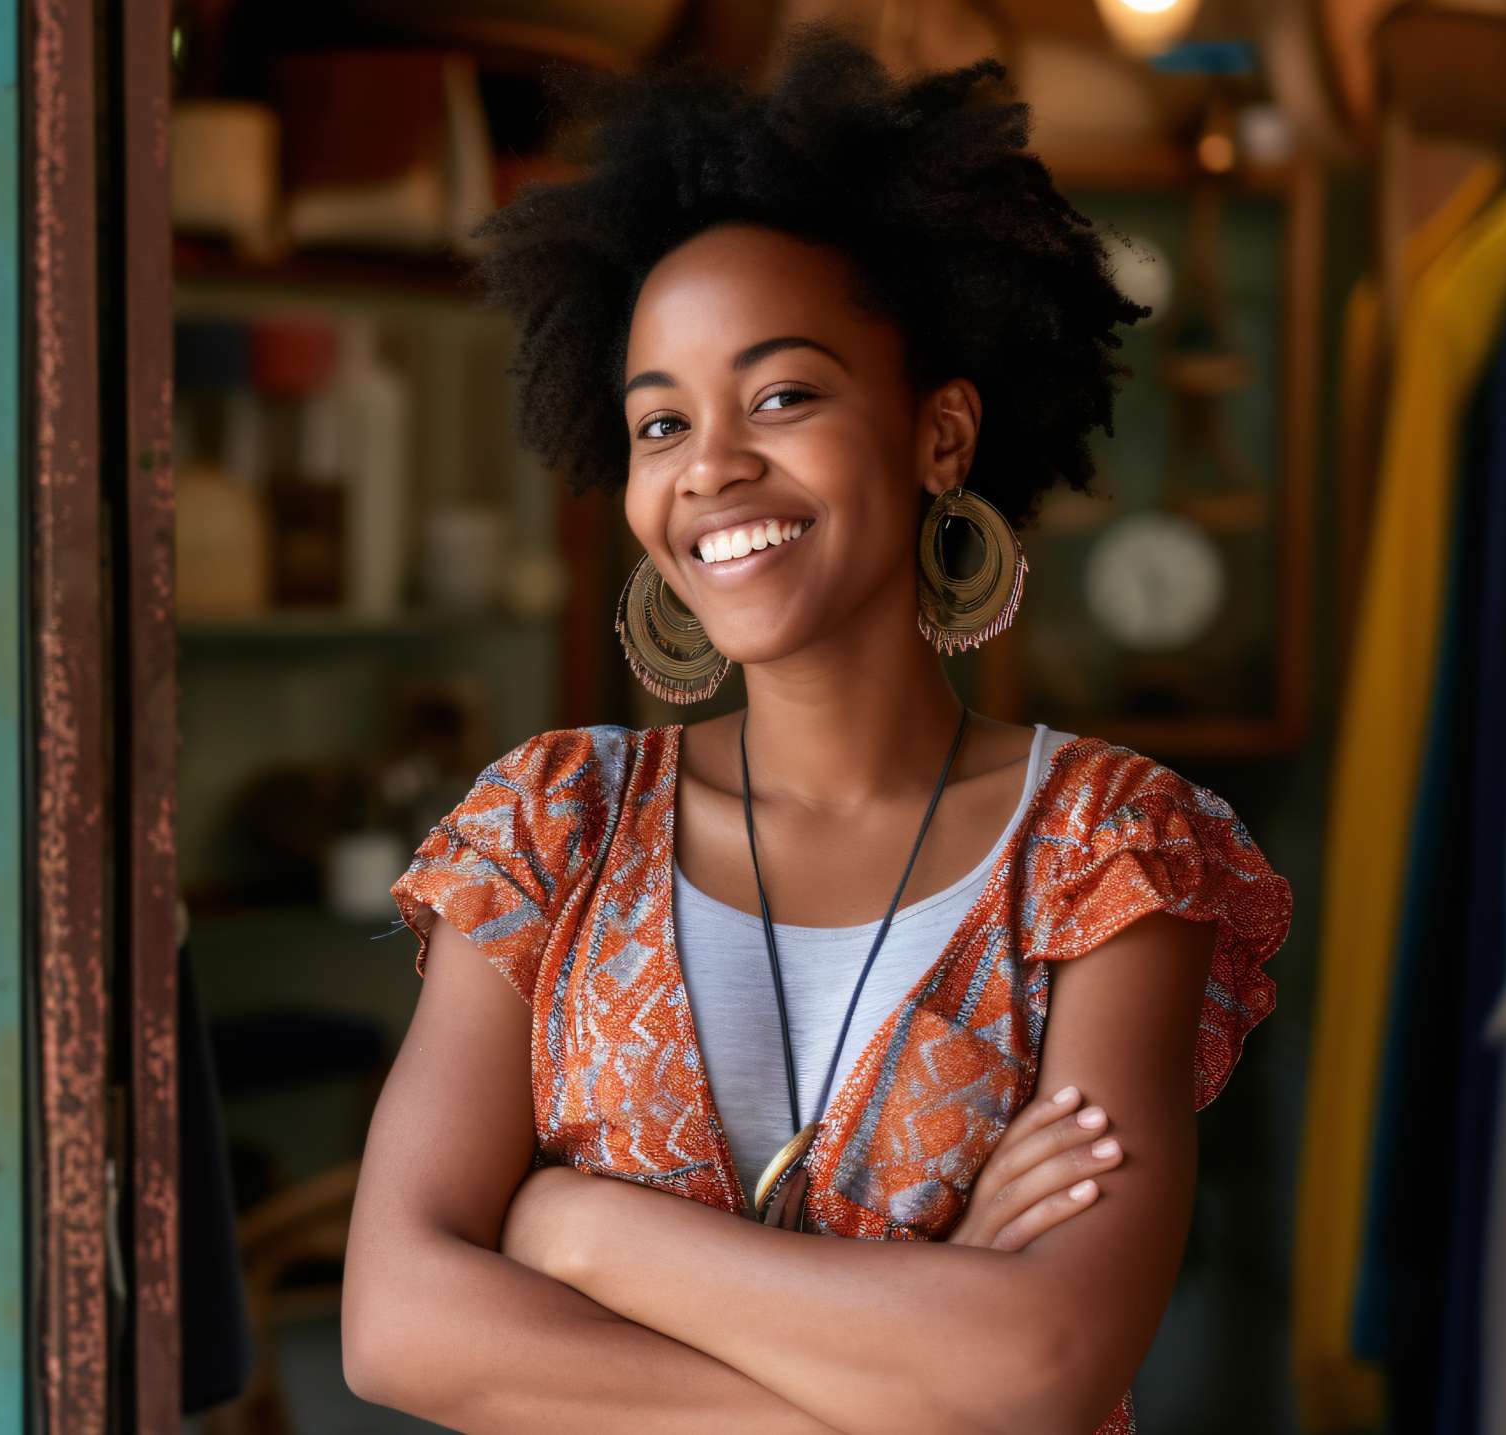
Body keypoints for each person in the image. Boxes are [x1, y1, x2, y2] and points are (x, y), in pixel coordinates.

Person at [339, 29, 1295, 1435]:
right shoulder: (553, 826)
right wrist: (913, 1379)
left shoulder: (1106, 852)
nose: (712, 466)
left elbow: (1042, 1370)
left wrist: (578, 1231)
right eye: (660, 425)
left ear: (940, 437)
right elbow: (397, 1326)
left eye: (783, 396)